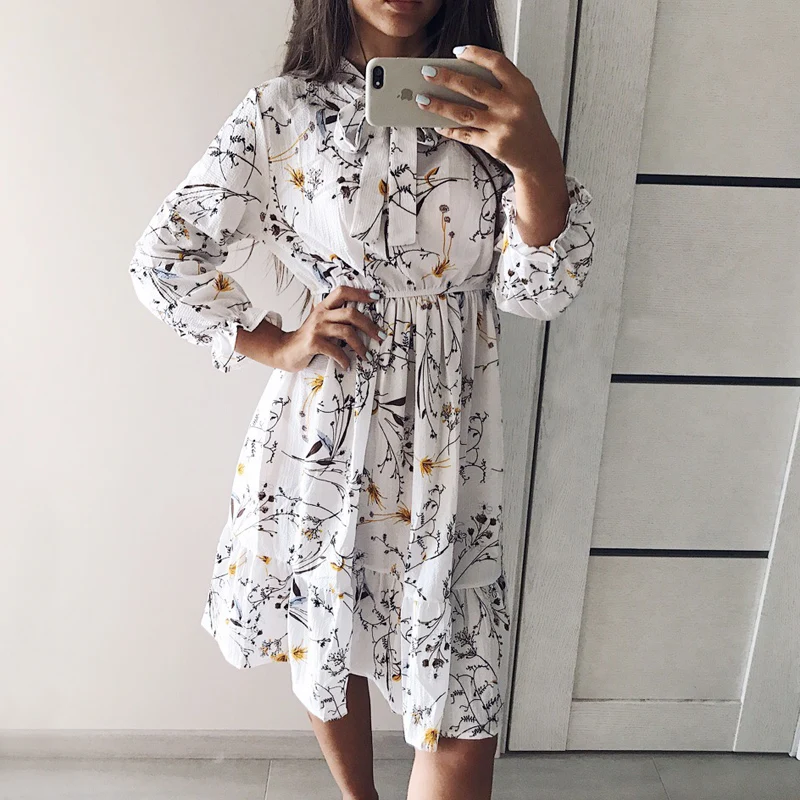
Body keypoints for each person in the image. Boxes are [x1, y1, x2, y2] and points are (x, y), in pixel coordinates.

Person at [128, 0, 594, 797]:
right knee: (327, 628)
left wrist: (537, 161)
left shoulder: (497, 107)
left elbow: (538, 292)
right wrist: (276, 342)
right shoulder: (281, 111)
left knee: (462, 699)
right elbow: (162, 256)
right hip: (326, 430)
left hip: (454, 450)